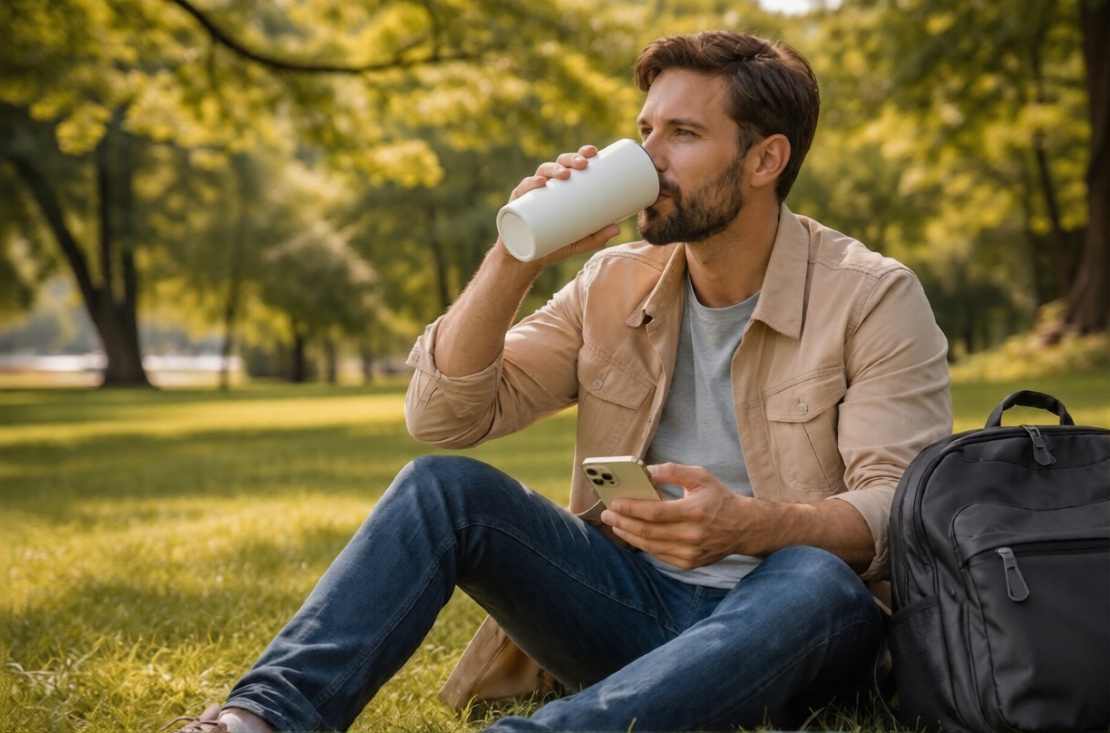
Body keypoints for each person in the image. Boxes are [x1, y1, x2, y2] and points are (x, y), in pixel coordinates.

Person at [165, 29, 952, 733]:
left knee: (814, 576)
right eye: (645, 130)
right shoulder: (613, 279)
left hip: (793, 625)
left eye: (682, 134)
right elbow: (445, 416)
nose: (649, 158)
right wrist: (517, 258)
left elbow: (896, 510)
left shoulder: (872, 294)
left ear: (765, 159)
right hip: (630, 604)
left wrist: (752, 527)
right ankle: (257, 720)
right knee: (442, 488)